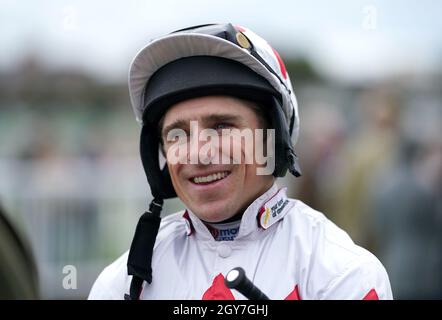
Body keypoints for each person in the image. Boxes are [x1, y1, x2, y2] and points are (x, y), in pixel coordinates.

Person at [88, 23, 392, 300]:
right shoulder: (120, 284)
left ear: (273, 140)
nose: (199, 152)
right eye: (177, 134)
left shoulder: (344, 274)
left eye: (221, 126)